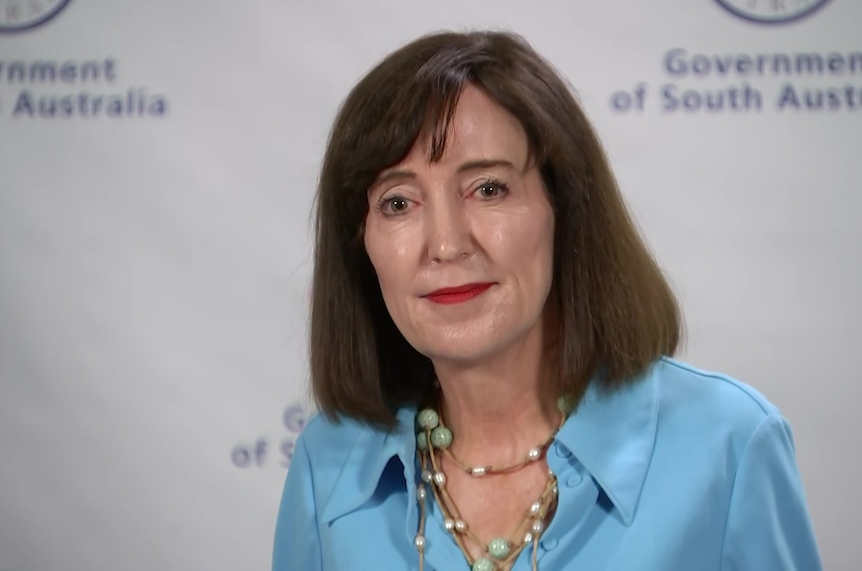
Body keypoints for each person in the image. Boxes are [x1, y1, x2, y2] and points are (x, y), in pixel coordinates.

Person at [272, 30, 821, 571]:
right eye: (398, 202)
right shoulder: (328, 464)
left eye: (488, 189)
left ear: (564, 207)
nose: (445, 244)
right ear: (360, 242)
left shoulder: (729, 445)